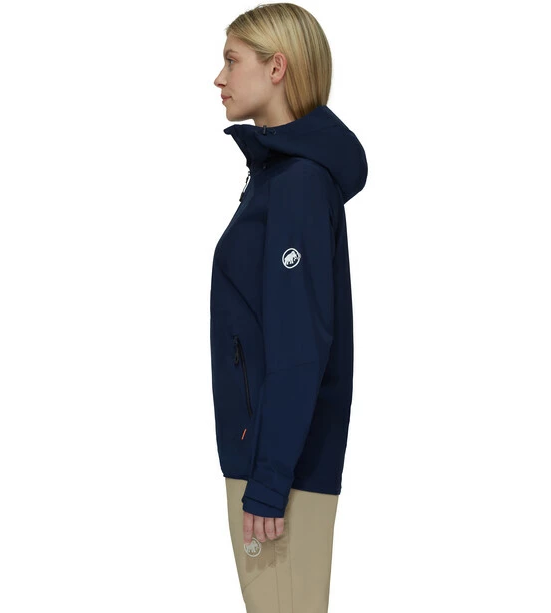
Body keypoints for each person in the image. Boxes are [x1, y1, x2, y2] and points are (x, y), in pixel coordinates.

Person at [210, 3, 368, 611]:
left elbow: (301, 347)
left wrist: (270, 481)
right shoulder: (279, 177)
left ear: (276, 68)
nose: (219, 78)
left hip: (279, 474)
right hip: (269, 460)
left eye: (232, 61)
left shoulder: (298, 183)